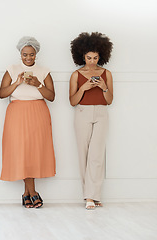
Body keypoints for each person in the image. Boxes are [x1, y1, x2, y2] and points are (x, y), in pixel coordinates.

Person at [0, 36, 56, 208]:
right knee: (21, 151)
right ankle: (32, 192)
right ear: (20, 54)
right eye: (25, 54)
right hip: (16, 113)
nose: (28, 58)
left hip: (38, 112)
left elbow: (52, 96)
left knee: (34, 151)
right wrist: (17, 83)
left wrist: (38, 84)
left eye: (31, 54)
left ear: (36, 54)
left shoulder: (44, 71)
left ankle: (27, 193)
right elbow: (2, 93)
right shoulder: (12, 69)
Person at [69, 32, 113, 210]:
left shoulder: (107, 74)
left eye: (95, 57)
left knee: (97, 155)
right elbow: (72, 101)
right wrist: (84, 88)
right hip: (82, 112)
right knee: (84, 154)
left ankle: (93, 196)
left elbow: (110, 100)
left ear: (100, 56)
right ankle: (89, 196)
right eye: (89, 58)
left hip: (101, 113)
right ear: (82, 56)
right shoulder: (76, 75)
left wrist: (103, 87)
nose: (92, 61)